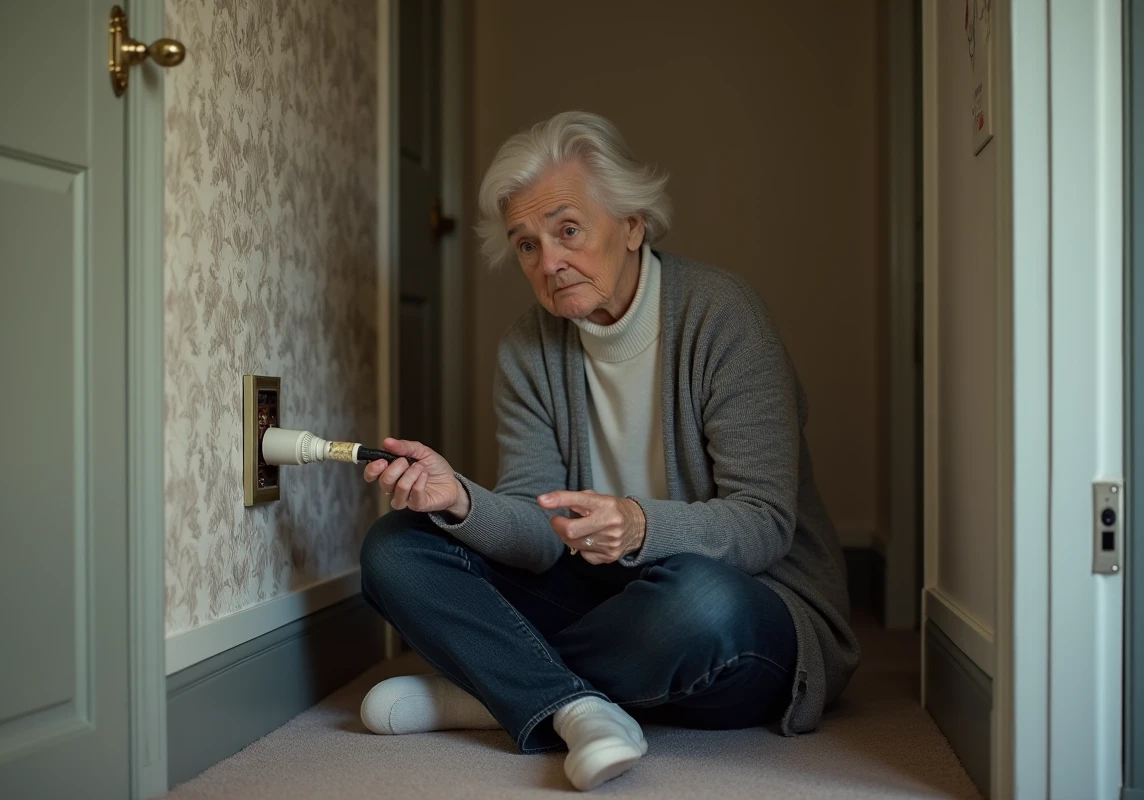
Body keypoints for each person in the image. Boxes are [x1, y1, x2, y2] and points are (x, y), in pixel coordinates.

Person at [357, 110, 859, 792]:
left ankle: (503, 691)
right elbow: (539, 533)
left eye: (567, 230)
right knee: (396, 546)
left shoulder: (724, 316)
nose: (548, 262)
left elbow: (765, 522)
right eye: (526, 244)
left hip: (750, 601)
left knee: (701, 603)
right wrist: (461, 501)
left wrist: (640, 526)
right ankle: (563, 697)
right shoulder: (528, 347)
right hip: (603, 599)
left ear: (632, 225)